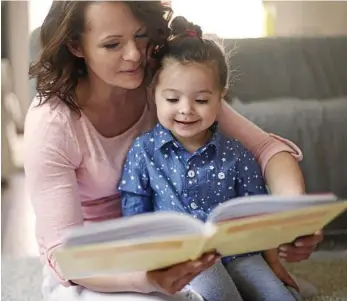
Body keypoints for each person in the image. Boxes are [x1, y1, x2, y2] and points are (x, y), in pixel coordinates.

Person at [24, 1, 323, 301]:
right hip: (97, 266)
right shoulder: (52, 124)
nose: (134, 55)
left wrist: (293, 216)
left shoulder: (164, 84)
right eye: (112, 44)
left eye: (140, 36)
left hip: (178, 250)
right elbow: (66, 255)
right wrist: (148, 278)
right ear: (76, 45)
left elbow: (267, 149)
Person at [119, 16, 302, 301]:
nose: (186, 110)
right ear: (153, 94)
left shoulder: (238, 154)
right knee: (222, 294)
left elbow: (258, 216)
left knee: (282, 297)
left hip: (239, 253)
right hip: (184, 257)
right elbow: (135, 214)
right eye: (172, 99)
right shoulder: (143, 152)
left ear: (220, 97)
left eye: (201, 100)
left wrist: (274, 263)